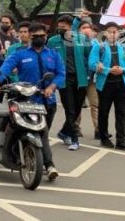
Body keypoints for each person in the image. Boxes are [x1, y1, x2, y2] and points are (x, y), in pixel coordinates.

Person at [0, 22, 64, 181]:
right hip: (25, 101)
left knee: (42, 132)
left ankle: (38, 158)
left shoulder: (53, 54)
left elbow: (61, 74)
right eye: (35, 36)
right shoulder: (20, 54)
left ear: (46, 36)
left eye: (42, 36)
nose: (39, 39)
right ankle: (49, 165)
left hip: (48, 101)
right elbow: (6, 67)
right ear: (30, 36)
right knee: (28, 130)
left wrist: (52, 86)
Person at [88, 22, 125, 151]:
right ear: (105, 33)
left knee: (122, 113)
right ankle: (104, 138)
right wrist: (107, 70)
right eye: (110, 32)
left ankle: (121, 140)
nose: (112, 34)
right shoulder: (99, 47)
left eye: (115, 31)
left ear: (119, 33)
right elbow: (92, 63)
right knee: (103, 112)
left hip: (122, 85)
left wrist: (123, 69)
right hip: (105, 85)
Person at [47, 14, 91, 151]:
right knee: (70, 109)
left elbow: (89, 56)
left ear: (71, 28)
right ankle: (74, 138)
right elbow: (49, 59)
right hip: (63, 79)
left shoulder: (82, 39)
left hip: (80, 78)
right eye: (59, 27)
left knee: (77, 109)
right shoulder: (53, 41)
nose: (60, 30)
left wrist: (90, 74)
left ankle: (63, 132)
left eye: (63, 27)